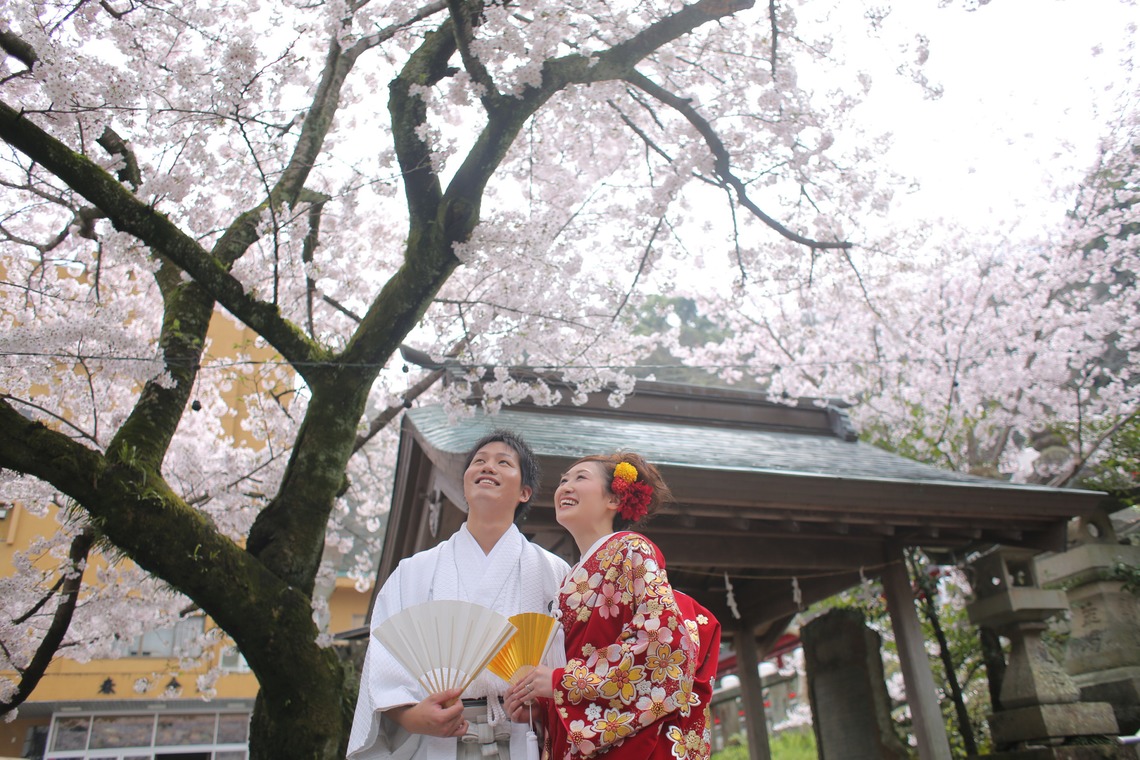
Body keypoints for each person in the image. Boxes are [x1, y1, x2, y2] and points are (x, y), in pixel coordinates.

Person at [348, 430, 571, 760]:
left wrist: (543, 706)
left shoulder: (553, 571)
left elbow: (573, 667)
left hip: (523, 737)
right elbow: (383, 664)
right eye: (479, 461)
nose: (487, 467)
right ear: (465, 483)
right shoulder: (414, 571)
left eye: (503, 462)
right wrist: (412, 717)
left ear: (525, 492)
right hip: (437, 738)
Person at [504, 452, 720, 760]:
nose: (565, 486)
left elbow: (663, 647)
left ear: (615, 499)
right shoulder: (569, 579)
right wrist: (542, 705)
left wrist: (559, 683)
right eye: (563, 480)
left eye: (580, 478)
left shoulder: (632, 549)